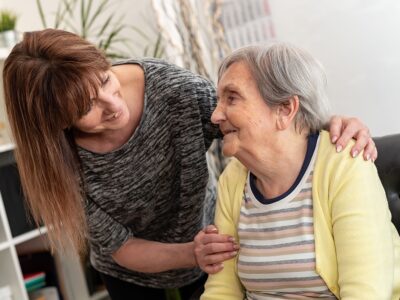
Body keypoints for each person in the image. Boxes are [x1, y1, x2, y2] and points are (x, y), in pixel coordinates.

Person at [2, 29, 377, 300]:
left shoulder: (172, 90)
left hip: (209, 253)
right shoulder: (60, 160)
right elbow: (121, 246)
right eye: (87, 108)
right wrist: (190, 252)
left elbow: (254, 115)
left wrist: (331, 124)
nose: (113, 105)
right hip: (133, 273)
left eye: (105, 79)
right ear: (59, 124)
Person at [199, 43, 400, 299]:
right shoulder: (234, 179)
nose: (216, 115)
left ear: (285, 109)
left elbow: (365, 293)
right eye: (219, 100)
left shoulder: (344, 165)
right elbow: (221, 291)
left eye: (232, 98)